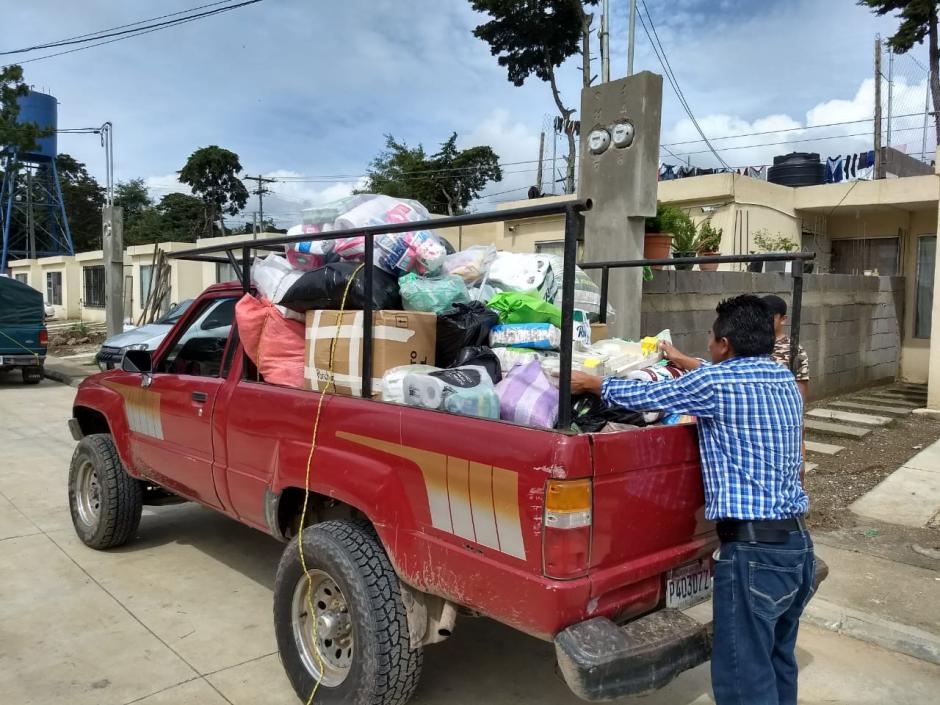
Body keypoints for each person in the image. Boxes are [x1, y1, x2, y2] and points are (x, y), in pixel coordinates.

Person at [571, 295, 813, 705]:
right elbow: (704, 377)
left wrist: (595, 384)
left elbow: (651, 398)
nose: (709, 347)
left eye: (711, 340)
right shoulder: (782, 378)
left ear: (726, 345)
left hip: (753, 554)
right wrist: (681, 359)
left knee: (743, 683)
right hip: (797, 550)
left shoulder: (717, 383)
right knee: (776, 664)